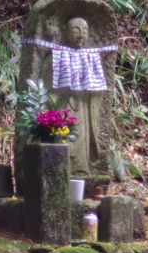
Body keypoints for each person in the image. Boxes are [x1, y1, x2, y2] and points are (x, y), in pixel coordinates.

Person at [23, 17, 117, 176]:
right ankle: (57, 171)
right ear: (65, 33)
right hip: (63, 106)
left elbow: (97, 87)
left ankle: (81, 170)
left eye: (85, 32)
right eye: (75, 31)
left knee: (81, 141)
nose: (81, 36)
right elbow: (45, 86)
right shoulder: (56, 57)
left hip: (83, 109)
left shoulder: (90, 58)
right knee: (62, 138)